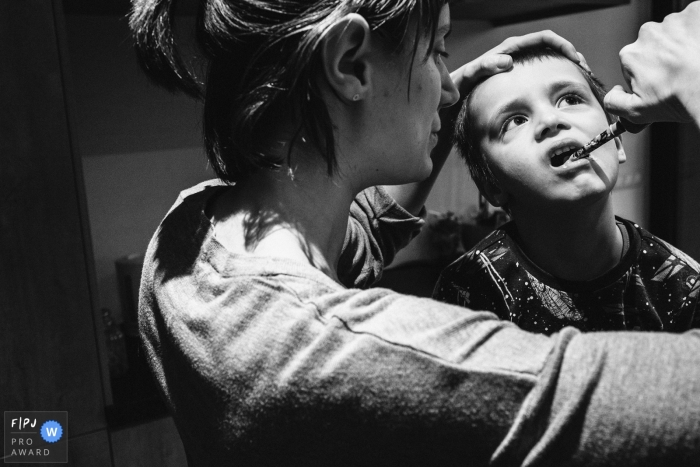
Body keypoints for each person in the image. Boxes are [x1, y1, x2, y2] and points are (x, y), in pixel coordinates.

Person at [131, 0, 700, 465]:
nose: (450, 88)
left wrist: (430, 120)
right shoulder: (359, 362)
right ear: (351, 65)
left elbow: (355, 235)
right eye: (437, 50)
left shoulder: (188, 238)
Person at [433, 45, 700, 335]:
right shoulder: (468, 289)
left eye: (570, 99)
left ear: (617, 141)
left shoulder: (684, 286)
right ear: (492, 186)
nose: (551, 121)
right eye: (514, 120)